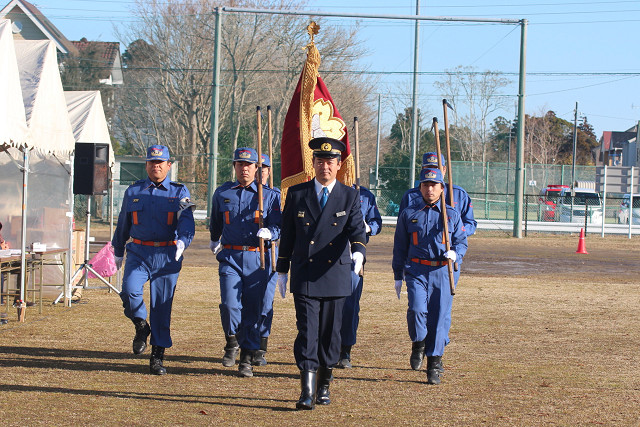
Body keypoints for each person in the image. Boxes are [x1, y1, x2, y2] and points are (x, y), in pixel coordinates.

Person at [276, 137, 367, 410]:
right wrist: (282, 269)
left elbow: (357, 231)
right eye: (320, 161)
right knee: (307, 332)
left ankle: (324, 385)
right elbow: (288, 234)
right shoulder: (297, 193)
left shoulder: (349, 196)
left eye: (330, 162)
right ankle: (306, 390)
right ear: (313, 164)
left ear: (339, 165)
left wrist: (359, 253)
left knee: (330, 335)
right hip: (305, 274)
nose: (324, 166)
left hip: (336, 275)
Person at [112, 144, 195, 375]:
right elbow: (123, 223)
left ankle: (157, 356)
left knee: (161, 306)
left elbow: (186, 219)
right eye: (151, 162)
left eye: (160, 162)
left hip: (167, 255)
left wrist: (183, 241)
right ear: (146, 165)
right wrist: (118, 249)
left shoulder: (178, 191)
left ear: (169, 165)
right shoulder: (134, 191)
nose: (155, 166)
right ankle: (140, 325)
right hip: (139, 252)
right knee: (129, 290)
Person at [398, 151, 476, 371]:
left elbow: (469, 226)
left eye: (437, 171)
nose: (430, 187)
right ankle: (420, 343)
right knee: (418, 309)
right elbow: (403, 234)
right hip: (418, 264)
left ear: (444, 170)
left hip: (447, 263)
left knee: (441, 312)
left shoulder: (457, 195)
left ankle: (436, 356)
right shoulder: (411, 197)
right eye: (426, 176)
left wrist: (453, 233)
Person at [209, 147, 281, 378]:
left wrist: (271, 232)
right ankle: (232, 340)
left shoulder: (268, 195)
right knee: (230, 305)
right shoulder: (223, 193)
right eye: (240, 164)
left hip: (257, 257)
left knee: (254, 309)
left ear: (256, 168)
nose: (244, 169)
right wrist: (213, 240)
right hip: (230, 256)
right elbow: (216, 221)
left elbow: (279, 225)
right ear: (235, 167)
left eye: (248, 165)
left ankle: (247, 357)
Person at [336, 185, 382, 369]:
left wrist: (368, 228)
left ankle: (345, 350)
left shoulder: (365, 195)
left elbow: (377, 223)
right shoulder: (326, 190)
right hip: (326, 259)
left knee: (350, 307)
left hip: (352, 259)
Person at [251, 153, 280, 366]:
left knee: (265, 302)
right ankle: (245, 343)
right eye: (257, 167)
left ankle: (261, 345)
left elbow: (282, 225)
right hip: (247, 254)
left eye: (264, 168)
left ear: (269, 171)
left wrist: (272, 231)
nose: (260, 171)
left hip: (269, 254)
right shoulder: (244, 193)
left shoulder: (274, 196)